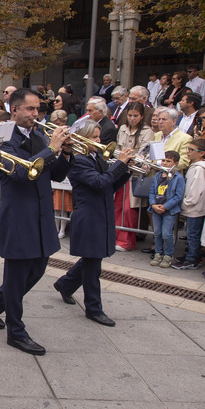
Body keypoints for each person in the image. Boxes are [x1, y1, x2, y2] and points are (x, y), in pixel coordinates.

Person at [0, 90, 70, 354]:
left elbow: (58, 173)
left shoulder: (40, 136)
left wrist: (64, 152)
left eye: (37, 109)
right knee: (17, 277)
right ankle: (15, 331)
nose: (35, 114)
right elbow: (20, 173)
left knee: (38, 269)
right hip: (19, 217)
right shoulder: (5, 139)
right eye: (29, 109)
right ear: (15, 110)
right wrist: (51, 149)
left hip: (41, 215)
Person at [53, 123, 136, 325]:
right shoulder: (79, 161)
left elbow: (110, 185)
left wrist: (127, 169)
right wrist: (120, 164)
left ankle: (65, 284)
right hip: (89, 216)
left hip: (101, 214)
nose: (99, 141)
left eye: (99, 137)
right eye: (96, 138)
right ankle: (93, 308)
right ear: (83, 138)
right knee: (93, 267)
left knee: (93, 259)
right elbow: (99, 182)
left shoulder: (97, 157)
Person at [113, 103, 152, 252]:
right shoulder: (122, 128)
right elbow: (117, 147)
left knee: (129, 209)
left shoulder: (147, 131)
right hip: (121, 170)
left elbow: (145, 152)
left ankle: (127, 241)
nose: (132, 118)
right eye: (130, 115)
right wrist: (120, 157)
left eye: (135, 116)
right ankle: (116, 237)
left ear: (141, 116)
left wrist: (130, 158)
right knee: (118, 205)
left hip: (135, 173)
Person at [173, 140, 205, 270]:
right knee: (192, 233)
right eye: (188, 149)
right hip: (193, 207)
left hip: (195, 208)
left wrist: (186, 203)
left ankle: (192, 258)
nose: (188, 152)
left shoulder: (199, 170)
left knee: (192, 234)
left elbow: (196, 190)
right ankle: (191, 255)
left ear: (202, 153)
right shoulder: (194, 166)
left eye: (191, 150)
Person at [148, 152, 186, 269]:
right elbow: (152, 192)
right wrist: (153, 204)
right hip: (156, 208)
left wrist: (165, 206)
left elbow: (178, 196)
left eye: (168, 161)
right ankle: (158, 253)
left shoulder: (178, 178)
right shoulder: (157, 175)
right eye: (164, 160)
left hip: (169, 210)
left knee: (166, 233)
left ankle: (168, 255)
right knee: (157, 232)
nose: (165, 163)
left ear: (176, 163)